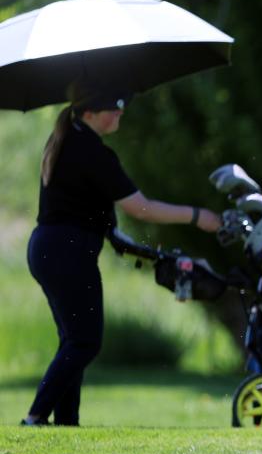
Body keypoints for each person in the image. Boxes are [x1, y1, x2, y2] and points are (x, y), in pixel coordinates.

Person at [20, 80, 221, 427]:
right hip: (68, 250)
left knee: (73, 340)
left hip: (49, 248)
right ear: (89, 112)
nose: (121, 111)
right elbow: (141, 208)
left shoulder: (68, 141)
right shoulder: (91, 151)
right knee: (85, 342)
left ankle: (66, 424)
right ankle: (35, 417)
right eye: (114, 105)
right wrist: (196, 216)